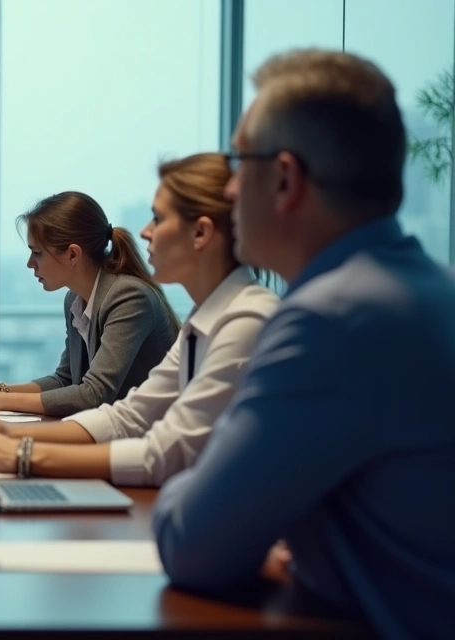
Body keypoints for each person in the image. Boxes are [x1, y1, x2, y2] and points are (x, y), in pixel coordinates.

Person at [152, 49, 455, 639]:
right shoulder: (430, 289)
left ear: (286, 179)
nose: (231, 189)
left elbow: (193, 544)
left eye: (239, 162)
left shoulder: (329, 320)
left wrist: (199, 477)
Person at [0, 153, 279, 487]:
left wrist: (22, 453)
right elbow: (128, 416)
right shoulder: (206, 317)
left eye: (157, 218)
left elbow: (162, 451)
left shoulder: (245, 321)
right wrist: (5, 431)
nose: (145, 231)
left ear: (200, 233)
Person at [0, 192, 178, 415]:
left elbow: (94, 394)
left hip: (156, 437)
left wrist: (0, 401)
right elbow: (65, 379)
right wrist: (0, 391)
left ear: (72, 254)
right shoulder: (75, 298)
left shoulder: (128, 296)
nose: (30, 263)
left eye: (37, 253)